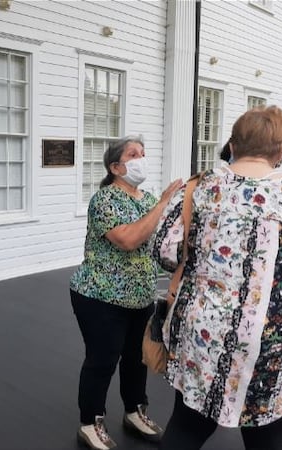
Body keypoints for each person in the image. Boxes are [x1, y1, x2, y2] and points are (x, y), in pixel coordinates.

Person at [156, 105, 282, 450]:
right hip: (275, 345)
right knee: (271, 439)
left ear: (233, 144)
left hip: (204, 339)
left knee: (186, 428)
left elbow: (165, 253)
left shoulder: (199, 188)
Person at [69, 135, 182, 450]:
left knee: (137, 357)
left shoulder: (146, 199)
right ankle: (90, 422)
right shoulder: (104, 200)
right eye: (134, 154)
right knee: (103, 359)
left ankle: (135, 411)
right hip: (99, 295)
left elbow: (161, 240)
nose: (141, 159)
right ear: (116, 167)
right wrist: (163, 203)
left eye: (143, 153)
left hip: (139, 295)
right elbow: (129, 239)